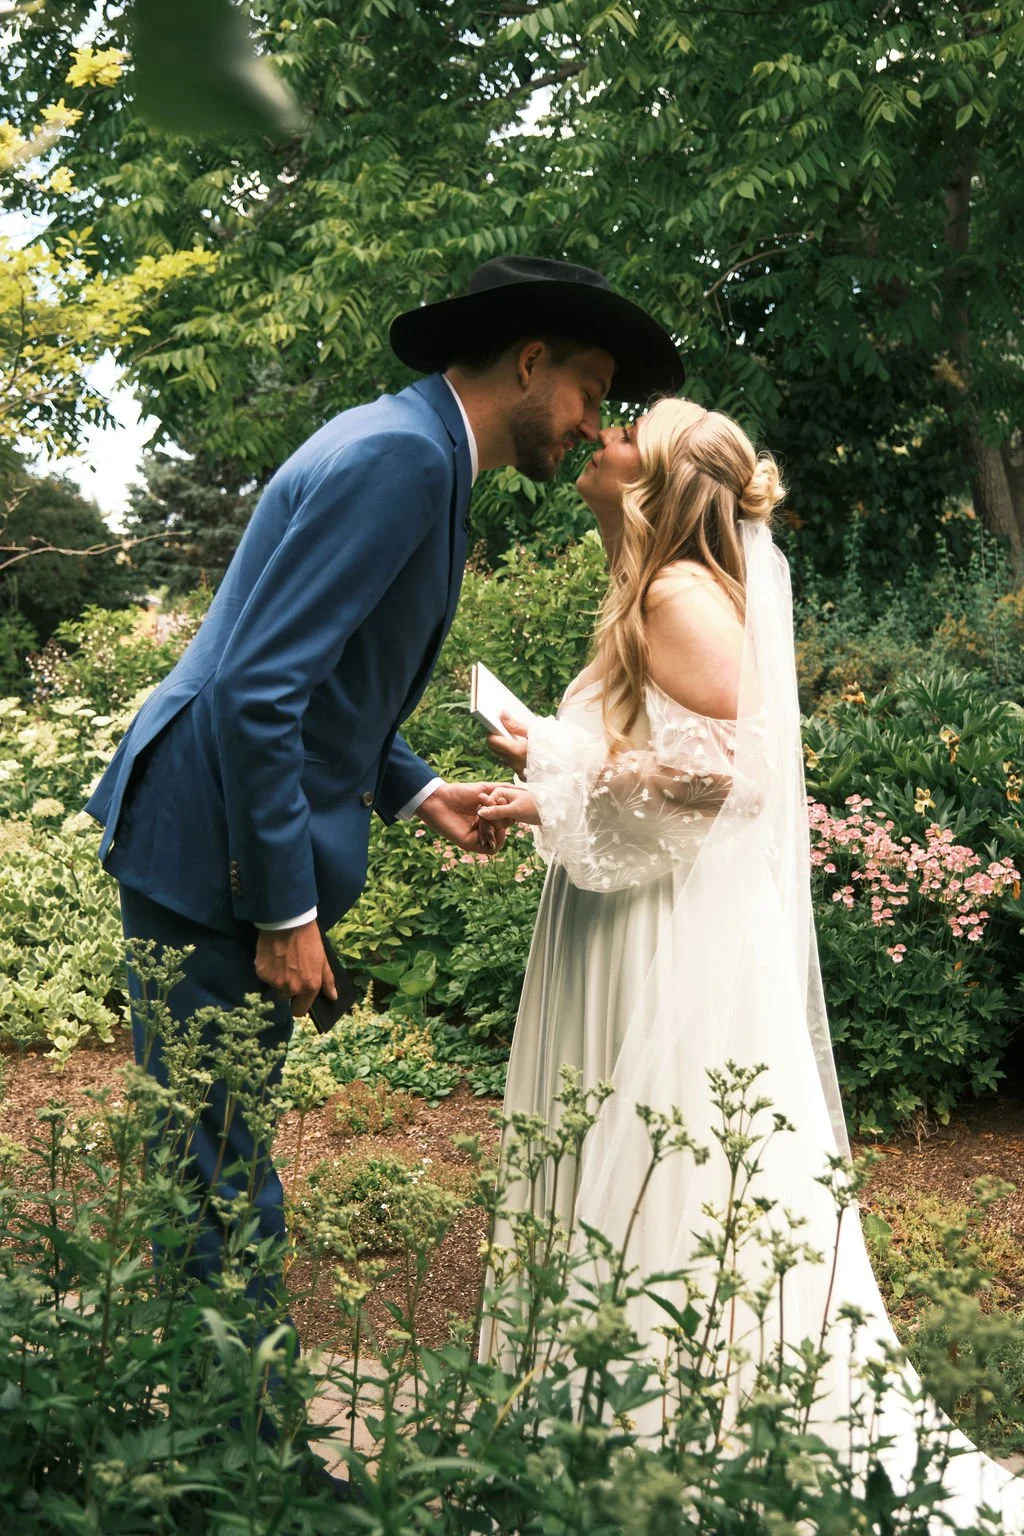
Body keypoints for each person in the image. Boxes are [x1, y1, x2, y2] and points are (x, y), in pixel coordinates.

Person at [84, 258, 684, 1344]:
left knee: (212, 1156)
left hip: (203, 826)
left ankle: (222, 1452)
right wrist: (284, 910)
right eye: (591, 394)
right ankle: (248, 1477)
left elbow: (319, 676)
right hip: (208, 849)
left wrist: (410, 790)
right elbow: (257, 689)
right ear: (530, 363)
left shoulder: (414, 449)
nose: (595, 428)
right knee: (217, 1173)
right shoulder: (403, 461)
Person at [475, 398, 1024, 1530]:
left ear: (658, 476)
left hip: (668, 933)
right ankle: (616, 1431)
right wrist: (551, 767)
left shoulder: (677, 594)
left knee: (667, 1162)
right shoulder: (651, 587)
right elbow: (655, 755)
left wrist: (578, 769)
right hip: (632, 909)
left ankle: (682, 1438)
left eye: (625, 428)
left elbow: (737, 775)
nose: (599, 437)